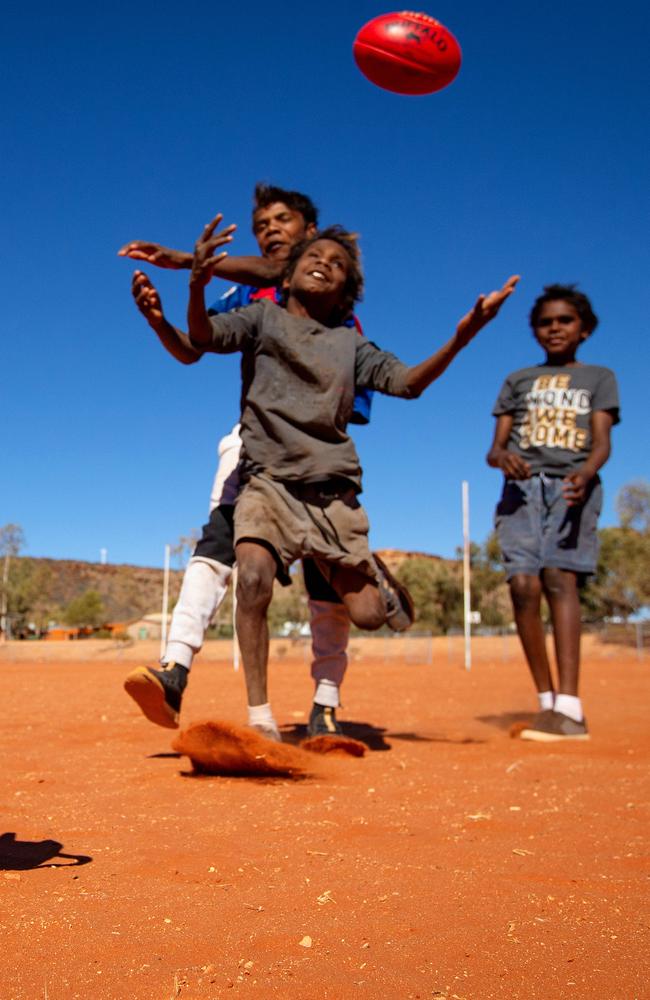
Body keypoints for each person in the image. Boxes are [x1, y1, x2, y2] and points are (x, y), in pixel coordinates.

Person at [187, 213, 518, 740]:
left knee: (366, 615)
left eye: (338, 264)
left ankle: (374, 580)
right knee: (250, 578)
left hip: (331, 493)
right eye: (314, 257)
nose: (324, 263)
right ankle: (261, 719)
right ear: (288, 275)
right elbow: (201, 337)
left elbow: (408, 383)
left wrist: (463, 337)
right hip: (268, 482)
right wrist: (197, 281)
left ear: (347, 293)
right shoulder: (260, 318)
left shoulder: (350, 345)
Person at [120, 186, 371, 737]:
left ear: (312, 233)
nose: (270, 229)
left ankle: (325, 703)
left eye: (284, 219)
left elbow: (357, 403)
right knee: (217, 543)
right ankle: (174, 671)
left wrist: (188, 258)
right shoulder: (251, 295)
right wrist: (161, 319)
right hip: (251, 449)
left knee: (326, 577)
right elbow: (194, 346)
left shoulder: (338, 316)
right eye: (261, 223)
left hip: (318, 461)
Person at [487, 284, 620, 742]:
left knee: (559, 579)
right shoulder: (518, 380)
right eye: (546, 322)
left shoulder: (599, 378)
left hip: (571, 487)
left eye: (565, 321)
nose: (555, 328)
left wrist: (586, 472)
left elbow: (602, 441)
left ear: (584, 329)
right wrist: (503, 458)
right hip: (521, 492)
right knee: (523, 586)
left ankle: (571, 706)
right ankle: (547, 704)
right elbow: (494, 449)